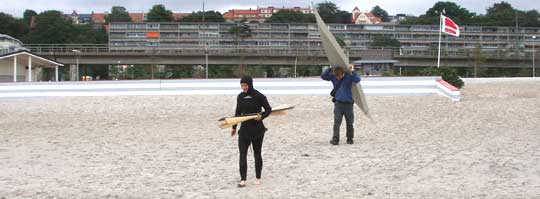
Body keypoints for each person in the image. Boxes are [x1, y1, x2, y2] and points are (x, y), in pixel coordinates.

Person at [231, 76, 272, 187]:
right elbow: (237, 113)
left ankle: (258, 178)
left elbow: (268, 110)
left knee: (257, 154)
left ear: (250, 84)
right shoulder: (240, 97)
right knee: (242, 155)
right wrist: (234, 127)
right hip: (244, 130)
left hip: (257, 130)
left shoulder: (258, 96)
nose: (243, 87)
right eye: (242, 85)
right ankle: (243, 179)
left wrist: (261, 117)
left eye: (245, 85)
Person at [321, 65, 361, 145]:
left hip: (348, 104)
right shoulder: (333, 77)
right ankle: (335, 139)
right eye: (337, 76)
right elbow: (323, 76)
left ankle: (350, 139)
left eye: (339, 76)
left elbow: (357, 79)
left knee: (349, 122)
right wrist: (330, 68)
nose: (338, 77)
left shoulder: (349, 77)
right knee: (337, 122)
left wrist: (352, 71)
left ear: (343, 74)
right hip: (338, 103)